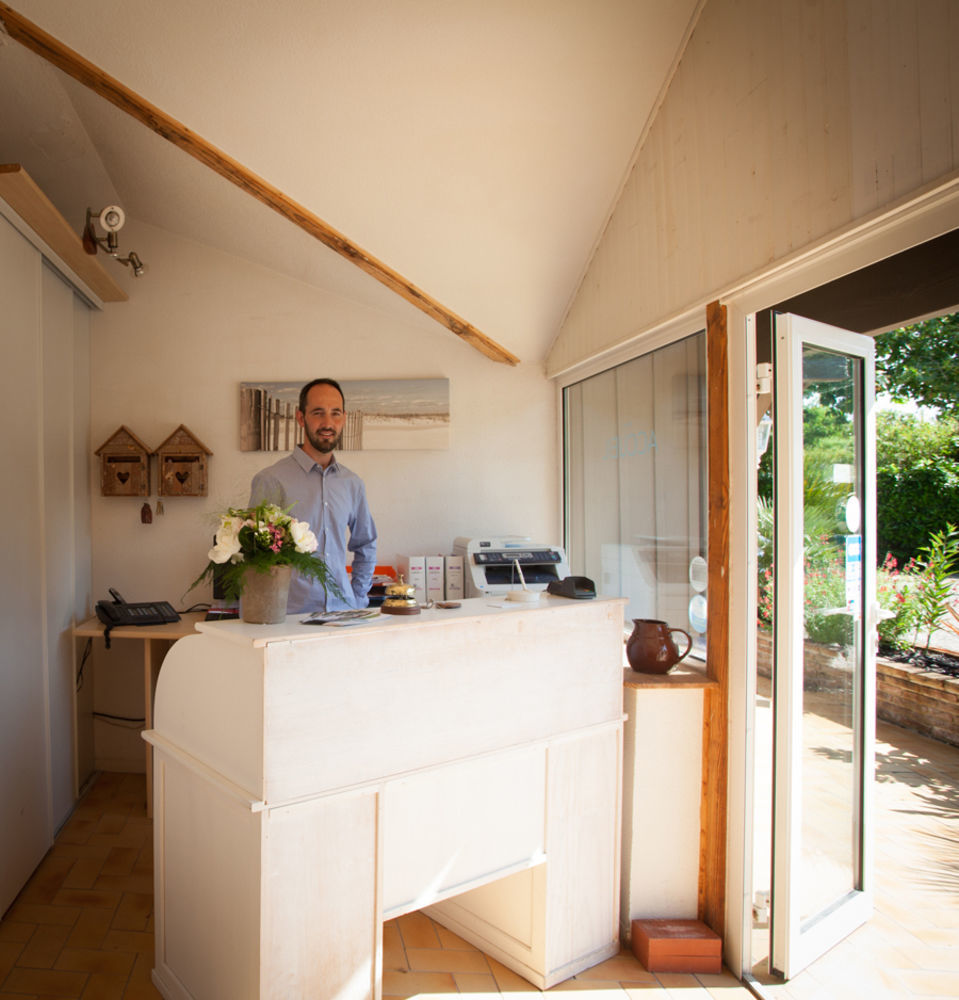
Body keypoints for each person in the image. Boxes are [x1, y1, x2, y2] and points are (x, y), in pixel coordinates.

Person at [248, 378, 377, 613]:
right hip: (290, 617)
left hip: (343, 616)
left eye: (335, 413)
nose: (328, 423)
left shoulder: (353, 484)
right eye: (318, 413)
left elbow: (366, 544)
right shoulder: (271, 480)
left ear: (344, 419)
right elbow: (255, 558)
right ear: (300, 418)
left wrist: (357, 598)